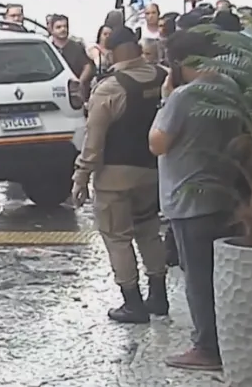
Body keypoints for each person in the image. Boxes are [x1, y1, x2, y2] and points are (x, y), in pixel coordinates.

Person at [149, 29, 240, 371]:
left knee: (198, 277)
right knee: (218, 275)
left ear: (183, 62)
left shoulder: (184, 96)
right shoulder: (229, 87)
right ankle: (224, 338)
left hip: (188, 200)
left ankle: (207, 347)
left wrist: (164, 99)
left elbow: (157, 143)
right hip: (222, 192)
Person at [72, 26, 168, 324]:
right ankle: (159, 295)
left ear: (111, 51)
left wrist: (81, 177)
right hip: (154, 171)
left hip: (115, 176)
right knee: (149, 231)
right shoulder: (163, 76)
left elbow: (94, 139)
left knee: (118, 237)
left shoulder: (111, 87)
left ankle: (133, 303)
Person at [50, 15, 94, 98]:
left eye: (65, 26)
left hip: (76, 93)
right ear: (52, 30)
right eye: (58, 27)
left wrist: (80, 82)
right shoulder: (49, 48)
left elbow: (87, 66)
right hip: (55, 90)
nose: (63, 29)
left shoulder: (77, 47)